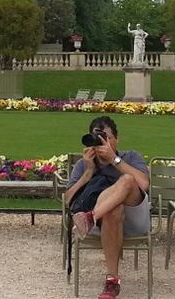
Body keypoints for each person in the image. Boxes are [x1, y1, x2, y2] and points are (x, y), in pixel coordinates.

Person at [67, 116, 150, 299]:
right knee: (114, 209)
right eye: (96, 138)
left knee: (128, 179)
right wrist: (87, 172)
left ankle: (91, 216)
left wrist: (114, 160)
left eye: (106, 138)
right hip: (102, 225)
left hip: (133, 220)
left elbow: (143, 184)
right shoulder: (84, 164)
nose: (102, 143)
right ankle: (112, 281)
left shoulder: (130, 157)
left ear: (117, 139)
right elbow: (68, 201)